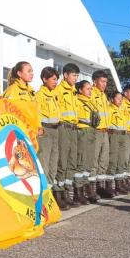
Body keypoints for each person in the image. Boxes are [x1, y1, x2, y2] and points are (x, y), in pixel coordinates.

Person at [36, 67, 68, 210]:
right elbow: (35, 114)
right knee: (44, 165)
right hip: (45, 131)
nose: (56, 82)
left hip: (56, 130)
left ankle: (49, 199)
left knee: (54, 165)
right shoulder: (39, 95)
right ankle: (41, 200)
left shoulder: (55, 95)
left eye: (57, 79)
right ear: (44, 79)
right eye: (53, 79)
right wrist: (39, 129)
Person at [57, 63, 84, 205]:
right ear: (65, 75)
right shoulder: (58, 90)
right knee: (62, 161)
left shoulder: (74, 91)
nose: (75, 78)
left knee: (72, 161)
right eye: (74, 75)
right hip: (63, 127)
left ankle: (67, 192)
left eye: (77, 76)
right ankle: (58, 193)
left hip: (74, 128)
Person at [76, 80, 99, 203]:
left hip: (91, 131)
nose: (90, 91)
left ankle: (86, 187)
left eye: (91, 89)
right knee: (81, 161)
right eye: (87, 89)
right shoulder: (78, 101)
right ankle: (78, 191)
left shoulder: (91, 103)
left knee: (89, 162)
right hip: (82, 131)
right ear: (80, 90)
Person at [90, 70, 111, 199]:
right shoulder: (91, 93)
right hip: (95, 131)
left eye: (106, 82)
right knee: (94, 160)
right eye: (102, 81)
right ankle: (91, 189)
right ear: (95, 81)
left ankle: (100, 187)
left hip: (104, 131)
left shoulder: (103, 96)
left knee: (104, 160)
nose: (104, 84)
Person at [104, 91, 127, 198]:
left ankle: (119, 184)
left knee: (121, 160)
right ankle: (108, 185)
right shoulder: (109, 109)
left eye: (121, 98)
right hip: (114, 135)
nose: (120, 100)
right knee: (113, 160)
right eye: (118, 98)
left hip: (123, 135)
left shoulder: (122, 109)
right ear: (112, 99)